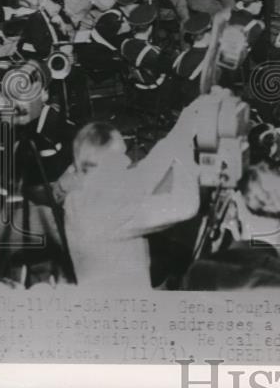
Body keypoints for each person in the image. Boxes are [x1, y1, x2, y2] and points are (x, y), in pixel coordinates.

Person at [62, 112, 200, 288]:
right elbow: (185, 205)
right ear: (104, 165)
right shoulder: (105, 210)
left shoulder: (83, 195)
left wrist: (186, 124)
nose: (127, 159)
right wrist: (185, 155)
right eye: (120, 156)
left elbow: (144, 173)